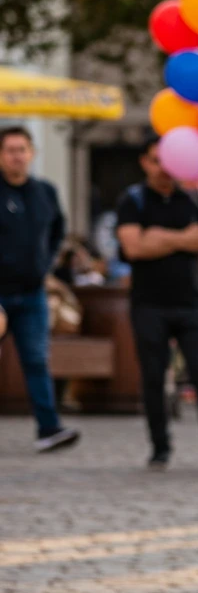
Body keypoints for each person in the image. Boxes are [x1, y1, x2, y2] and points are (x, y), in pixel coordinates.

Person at [116, 136, 198, 470]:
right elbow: (134, 249)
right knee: (154, 377)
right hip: (148, 304)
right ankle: (160, 448)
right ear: (144, 162)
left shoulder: (195, 198)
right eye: (155, 161)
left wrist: (157, 237)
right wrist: (185, 238)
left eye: (167, 161)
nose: (162, 168)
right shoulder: (134, 200)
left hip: (192, 303)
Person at [0, 125, 80, 452]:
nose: (17, 156)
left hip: (33, 293)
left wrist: (45, 263)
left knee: (36, 359)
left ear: (32, 153)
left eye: (22, 150)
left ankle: (49, 428)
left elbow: (58, 229)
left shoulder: (45, 191)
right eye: (10, 150)